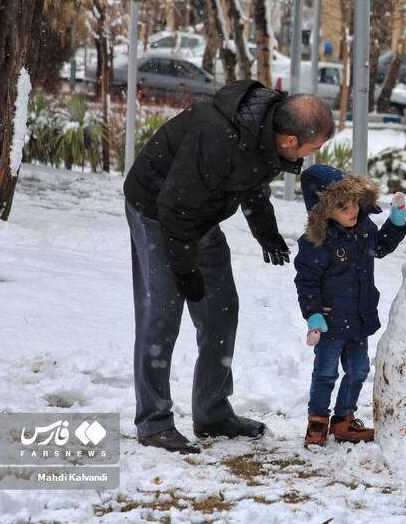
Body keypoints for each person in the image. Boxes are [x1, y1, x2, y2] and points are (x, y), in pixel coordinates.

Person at [124, 80, 334, 454]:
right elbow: (175, 208)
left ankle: (212, 412)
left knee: (221, 309)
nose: (313, 154)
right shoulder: (219, 138)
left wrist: (265, 231)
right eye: (313, 147)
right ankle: (153, 422)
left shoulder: (264, 130)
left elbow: (251, 180)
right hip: (158, 210)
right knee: (163, 314)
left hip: (197, 213)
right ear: (290, 139)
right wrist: (186, 271)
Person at [293, 164, 406, 447]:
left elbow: (381, 247)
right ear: (324, 211)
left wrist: (395, 221)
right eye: (342, 205)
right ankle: (317, 421)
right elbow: (306, 281)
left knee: (358, 370)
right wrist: (314, 315)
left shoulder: (365, 230)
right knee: (326, 372)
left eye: (355, 201)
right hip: (331, 323)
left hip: (359, 318)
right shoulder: (317, 243)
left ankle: (344, 419)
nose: (352, 209)